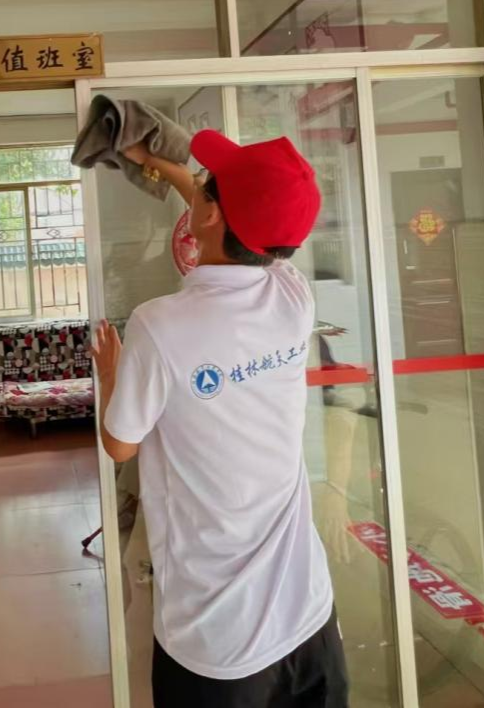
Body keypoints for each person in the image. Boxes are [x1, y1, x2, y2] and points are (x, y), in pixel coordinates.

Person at [90, 132, 348, 708]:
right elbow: (235, 221)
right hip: (309, 620)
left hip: (216, 642)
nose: (199, 188)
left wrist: (111, 376)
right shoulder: (292, 297)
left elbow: (120, 445)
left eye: (207, 187)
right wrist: (164, 168)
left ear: (209, 214)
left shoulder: (159, 324)